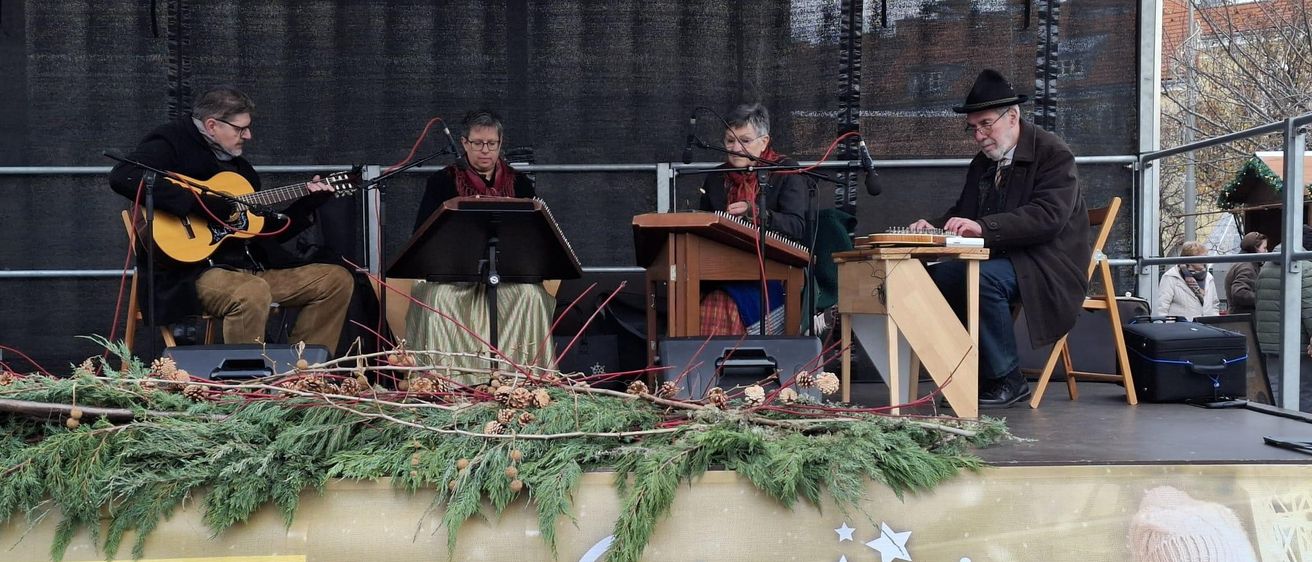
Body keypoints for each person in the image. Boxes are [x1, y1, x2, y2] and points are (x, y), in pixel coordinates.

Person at [108, 85, 354, 351]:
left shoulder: (241, 171)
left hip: (248, 269)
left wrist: (309, 203)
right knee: (251, 291)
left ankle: (299, 375)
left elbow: (266, 232)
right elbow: (125, 176)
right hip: (190, 276)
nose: (248, 135)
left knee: (335, 280)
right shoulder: (171, 141)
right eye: (240, 129)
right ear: (212, 125)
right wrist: (205, 204)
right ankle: (248, 385)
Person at [908, 69, 1090, 408]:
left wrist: (984, 227)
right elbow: (963, 212)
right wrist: (932, 226)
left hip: (1048, 265)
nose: (979, 135)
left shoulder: (1054, 154)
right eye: (973, 128)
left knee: (980, 279)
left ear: (1013, 117)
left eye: (986, 124)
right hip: (1005, 259)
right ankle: (968, 374)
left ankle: (1008, 378)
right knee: (935, 277)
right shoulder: (983, 164)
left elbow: (1047, 217)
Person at [407, 110, 553, 382]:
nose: (485, 150)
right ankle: (453, 383)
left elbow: (537, 235)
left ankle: (523, 382)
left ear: (500, 144)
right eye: (477, 143)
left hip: (506, 276)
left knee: (531, 296)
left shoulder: (519, 184)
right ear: (464, 143)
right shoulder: (442, 182)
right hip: (453, 276)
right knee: (440, 299)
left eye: (492, 144)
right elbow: (422, 238)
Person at [697, 102, 808, 335]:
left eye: (744, 141)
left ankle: (714, 366)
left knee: (720, 304)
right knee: (699, 298)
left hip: (773, 273)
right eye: (729, 141)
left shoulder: (786, 172)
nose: (735, 148)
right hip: (721, 271)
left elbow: (796, 227)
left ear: (764, 142)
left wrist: (756, 212)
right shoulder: (716, 178)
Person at [1254, 226, 1312, 412]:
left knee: (1276, 388)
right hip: (1299, 343)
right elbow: (1309, 306)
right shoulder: (1304, 266)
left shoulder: (1267, 266)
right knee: (1303, 391)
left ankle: (1277, 428)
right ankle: (1302, 433)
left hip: (1270, 342)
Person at [1156, 241, 1219, 320]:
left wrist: (1215, 323)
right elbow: (1161, 307)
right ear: (1189, 259)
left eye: (1205, 257)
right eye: (1200, 257)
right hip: (1180, 329)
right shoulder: (1171, 276)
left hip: (1207, 328)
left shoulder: (1209, 278)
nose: (1204, 260)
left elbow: (1214, 304)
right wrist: (1165, 328)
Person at [1223, 231, 1266, 315]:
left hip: (1239, 316)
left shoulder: (1241, 262)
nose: (1266, 251)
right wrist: (1262, 299)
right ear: (1256, 248)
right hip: (1244, 318)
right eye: (1264, 248)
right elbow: (1239, 293)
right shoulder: (1247, 267)